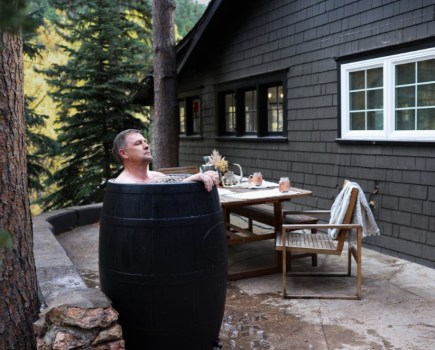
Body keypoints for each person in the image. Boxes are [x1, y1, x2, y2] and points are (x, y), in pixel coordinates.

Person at [111, 129, 219, 191]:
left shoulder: (157, 176)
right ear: (124, 153)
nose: (147, 146)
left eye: (145, 141)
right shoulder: (124, 185)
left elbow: (174, 186)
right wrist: (189, 181)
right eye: (138, 143)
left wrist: (201, 176)